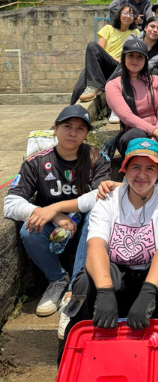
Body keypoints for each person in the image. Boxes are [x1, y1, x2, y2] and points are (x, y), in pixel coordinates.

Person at [60, 138, 158, 382]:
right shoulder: (108, 198)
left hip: (153, 270)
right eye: (136, 166)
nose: (142, 175)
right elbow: (95, 246)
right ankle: (80, 356)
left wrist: (149, 290)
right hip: (117, 269)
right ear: (124, 169)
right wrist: (105, 291)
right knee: (85, 282)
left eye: (150, 168)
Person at [3, 106, 110, 322]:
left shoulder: (98, 158)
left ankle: (75, 290)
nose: (73, 133)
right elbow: (10, 203)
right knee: (30, 227)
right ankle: (57, 280)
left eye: (80, 128)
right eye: (67, 126)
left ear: (86, 133)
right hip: (54, 233)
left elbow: (100, 197)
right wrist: (51, 214)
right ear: (55, 128)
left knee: (97, 212)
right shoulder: (37, 161)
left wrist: (56, 207)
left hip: (88, 235)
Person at [104, 39, 158, 157]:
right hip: (133, 133)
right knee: (136, 137)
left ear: (145, 60)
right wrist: (155, 132)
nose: (135, 60)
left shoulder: (157, 81)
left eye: (140, 57)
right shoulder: (113, 85)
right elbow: (127, 117)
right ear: (124, 57)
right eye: (131, 55)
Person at [72, 5, 139, 104]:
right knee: (79, 85)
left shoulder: (135, 32)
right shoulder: (108, 28)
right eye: (125, 13)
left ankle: (96, 86)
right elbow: (99, 50)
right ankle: (71, 111)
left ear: (134, 18)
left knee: (87, 66)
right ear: (119, 14)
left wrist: (119, 60)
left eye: (131, 14)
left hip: (117, 67)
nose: (128, 16)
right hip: (104, 63)